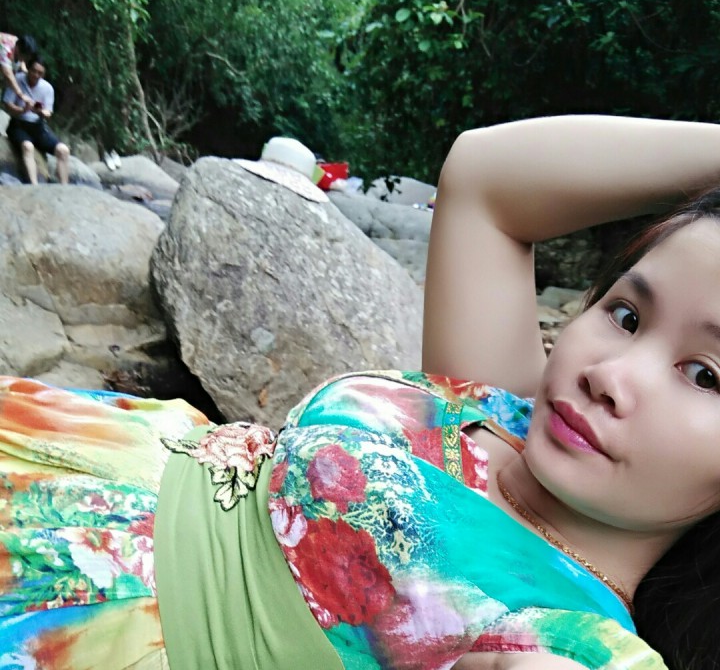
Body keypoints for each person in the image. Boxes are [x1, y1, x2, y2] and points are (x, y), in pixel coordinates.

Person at [2, 115, 720, 669]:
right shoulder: (507, 404)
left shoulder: (588, 644)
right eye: (627, 316)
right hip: (63, 450)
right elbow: (485, 176)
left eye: (705, 375)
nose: (610, 375)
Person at [2, 55, 70, 184]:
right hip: (18, 125)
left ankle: (65, 187)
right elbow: (8, 105)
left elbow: (48, 112)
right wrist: (23, 110)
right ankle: (34, 186)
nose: (36, 75)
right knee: (28, 147)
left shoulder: (47, 88)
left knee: (63, 150)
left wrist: (40, 112)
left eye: (40, 73)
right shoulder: (16, 80)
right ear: (28, 68)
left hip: (38, 126)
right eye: (34, 71)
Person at [0, 33, 37, 105]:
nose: (25, 59)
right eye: (24, 56)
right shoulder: (5, 49)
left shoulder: (18, 42)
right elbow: (8, 74)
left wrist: (25, 71)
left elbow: (21, 61)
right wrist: (21, 95)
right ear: (17, 49)